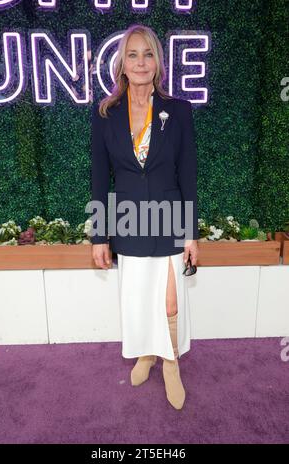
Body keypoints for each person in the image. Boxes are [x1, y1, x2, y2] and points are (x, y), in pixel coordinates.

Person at [90, 24, 199, 410]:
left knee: (170, 304)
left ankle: (170, 363)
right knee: (138, 299)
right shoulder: (106, 113)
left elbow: (187, 173)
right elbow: (99, 178)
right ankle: (145, 355)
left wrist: (191, 234)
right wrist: (99, 236)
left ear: (158, 63)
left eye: (148, 54)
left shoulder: (179, 110)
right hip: (129, 221)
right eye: (133, 54)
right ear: (122, 62)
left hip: (169, 219)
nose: (140, 62)